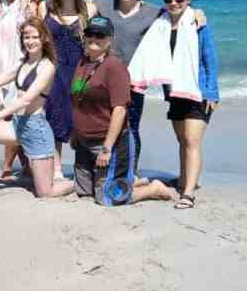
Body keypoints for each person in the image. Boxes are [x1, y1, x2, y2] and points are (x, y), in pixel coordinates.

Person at [96, 0, 206, 177]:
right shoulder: (103, 6)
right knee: (104, 125)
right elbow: (76, 3)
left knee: (131, 127)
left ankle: (130, 173)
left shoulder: (154, 12)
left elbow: (179, 9)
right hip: (107, 79)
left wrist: (198, 12)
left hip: (134, 81)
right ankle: (105, 169)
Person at [128, 0, 219, 209]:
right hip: (175, 92)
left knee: (192, 141)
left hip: (197, 91)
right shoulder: (161, 24)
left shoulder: (197, 23)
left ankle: (188, 193)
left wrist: (212, 92)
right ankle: (183, 180)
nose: (174, 3)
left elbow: (210, 60)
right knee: (182, 140)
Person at [71, 16, 177, 206]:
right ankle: (133, 181)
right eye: (90, 34)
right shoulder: (82, 62)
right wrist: (75, 133)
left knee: (108, 198)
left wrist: (107, 148)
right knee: (83, 193)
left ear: (109, 40)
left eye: (100, 35)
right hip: (83, 142)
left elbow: (119, 110)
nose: (94, 38)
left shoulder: (114, 67)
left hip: (108, 142)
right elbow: (78, 101)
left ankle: (154, 189)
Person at [0, 17, 74, 197]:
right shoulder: (22, 62)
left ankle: (76, 184)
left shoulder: (48, 66)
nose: (30, 41)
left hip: (36, 130)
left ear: (44, 38)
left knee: (46, 192)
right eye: (26, 37)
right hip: (17, 125)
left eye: (35, 37)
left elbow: (26, 100)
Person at [38, 0, 97, 179]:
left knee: (81, 117)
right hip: (53, 74)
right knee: (54, 117)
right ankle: (56, 169)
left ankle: (83, 167)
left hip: (80, 74)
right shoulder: (45, 8)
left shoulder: (89, 11)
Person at [0, 0, 43, 178]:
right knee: (10, 116)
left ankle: (7, 166)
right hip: (0, 66)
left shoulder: (29, 1)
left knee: (17, 115)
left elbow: (39, 31)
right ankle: (26, 166)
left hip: (21, 66)